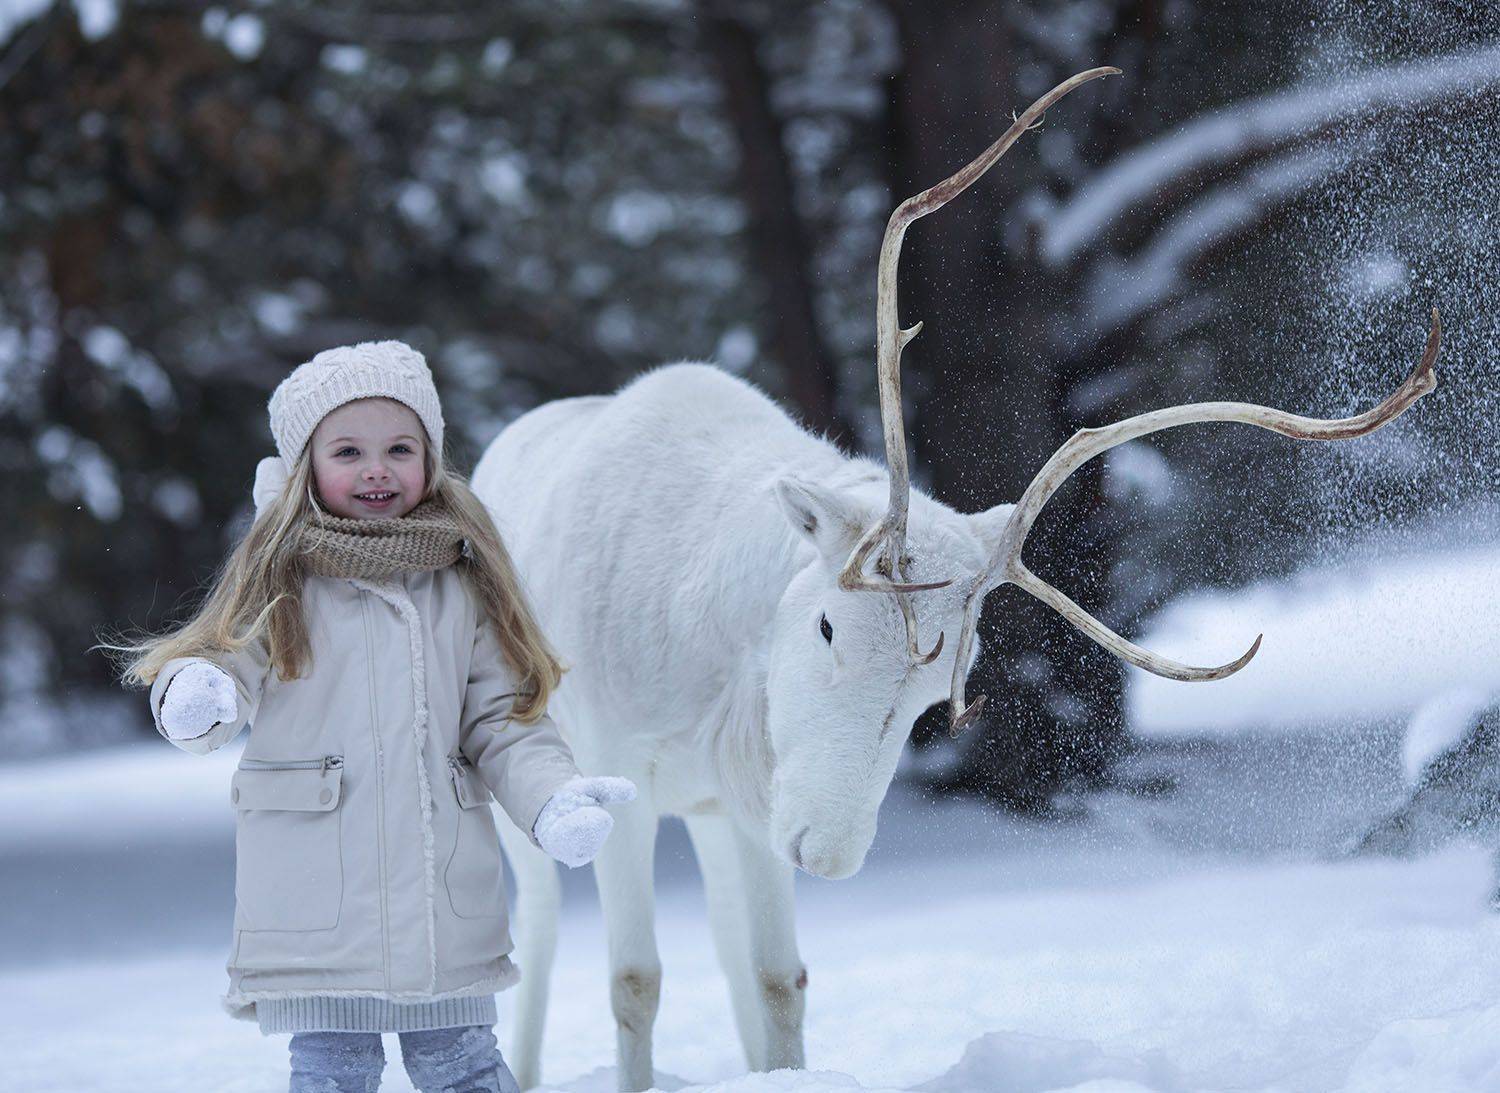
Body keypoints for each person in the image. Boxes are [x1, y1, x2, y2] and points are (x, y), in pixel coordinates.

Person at [106, 341, 635, 1092]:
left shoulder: (460, 581)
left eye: (399, 447)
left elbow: (504, 719)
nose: (376, 468)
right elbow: (226, 663)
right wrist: (198, 694)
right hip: (316, 901)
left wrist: (551, 796)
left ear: (430, 457)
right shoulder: (279, 574)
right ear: (306, 467)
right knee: (331, 1070)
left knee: (463, 1067)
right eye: (348, 450)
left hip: (439, 903)